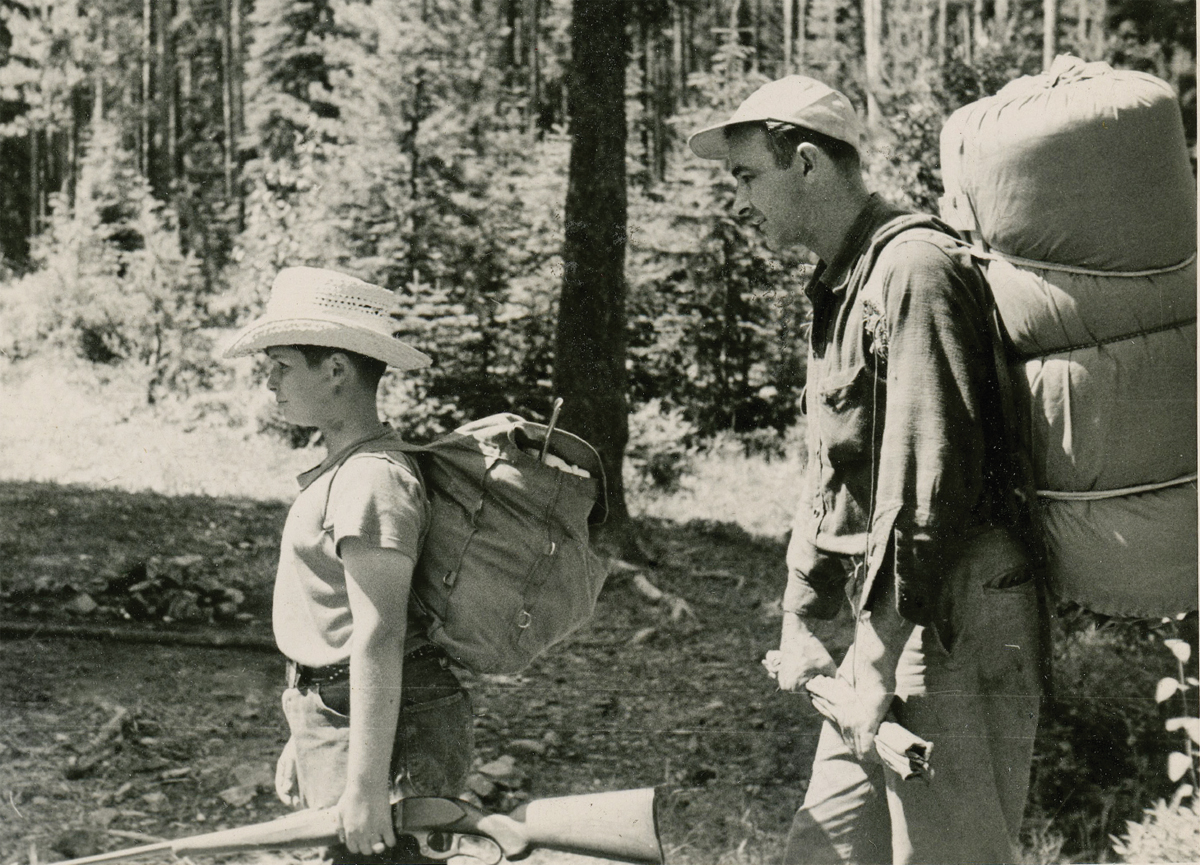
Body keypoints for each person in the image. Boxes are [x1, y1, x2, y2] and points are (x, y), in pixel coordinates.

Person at [688, 77, 1044, 865]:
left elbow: (927, 484)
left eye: (747, 177)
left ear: (806, 162)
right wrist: (800, 613)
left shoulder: (913, 270)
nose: (739, 201)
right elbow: (834, 468)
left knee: (951, 855)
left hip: (953, 611)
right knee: (822, 850)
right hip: (897, 613)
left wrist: (878, 660)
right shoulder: (844, 282)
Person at [223, 267, 473, 864]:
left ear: (336, 370)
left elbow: (379, 635)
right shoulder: (348, 469)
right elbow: (332, 631)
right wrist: (306, 739)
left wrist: (363, 787)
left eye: (282, 365)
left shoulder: (370, 479)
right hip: (346, 717)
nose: (269, 381)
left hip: (389, 731)